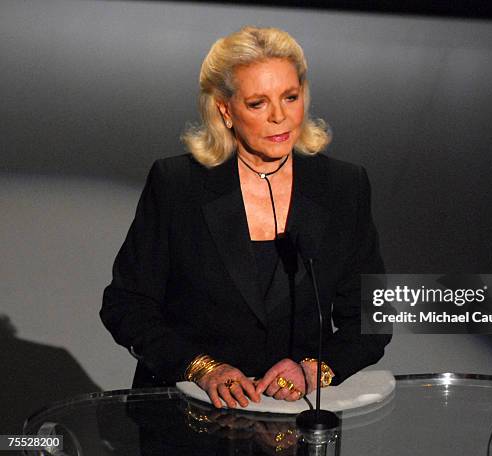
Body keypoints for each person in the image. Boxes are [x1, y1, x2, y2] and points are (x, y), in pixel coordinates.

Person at [100, 26, 391, 409]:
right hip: (190, 415)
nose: (279, 117)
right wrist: (201, 368)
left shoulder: (343, 186)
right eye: (258, 103)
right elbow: (127, 304)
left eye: (290, 97)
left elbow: (373, 316)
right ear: (225, 109)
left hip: (294, 419)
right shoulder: (178, 185)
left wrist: (316, 369)